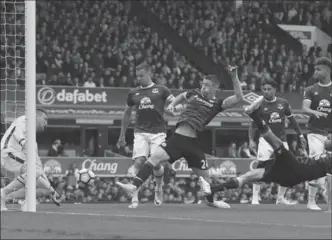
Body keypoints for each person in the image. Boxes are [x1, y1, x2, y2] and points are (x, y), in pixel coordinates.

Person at [116, 65, 244, 209]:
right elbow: (181, 96)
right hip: (177, 139)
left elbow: (239, 97)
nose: (203, 88)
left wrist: (234, 77)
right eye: (203, 84)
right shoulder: (194, 93)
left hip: (193, 144)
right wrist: (172, 106)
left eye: (207, 86)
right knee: (153, 159)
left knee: (206, 181)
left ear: (215, 88)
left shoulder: (218, 104)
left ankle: (210, 201)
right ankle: (134, 187)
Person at [199, 97, 332, 209]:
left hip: (295, 169)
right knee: (249, 176)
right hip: (288, 174)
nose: (328, 138)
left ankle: (253, 115)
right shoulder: (325, 154)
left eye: (330, 139)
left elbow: (330, 182)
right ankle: (213, 189)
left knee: (278, 144)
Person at [116, 62, 175, 209]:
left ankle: (158, 188)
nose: (139, 78)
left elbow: (174, 103)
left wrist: (173, 109)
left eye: (142, 75)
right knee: (139, 161)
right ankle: (134, 197)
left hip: (158, 132)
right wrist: (122, 134)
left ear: (150, 74)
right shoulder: (133, 93)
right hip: (140, 132)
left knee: (156, 164)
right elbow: (127, 113)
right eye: (137, 76)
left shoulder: (162, 90)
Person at [249, 78, 306, 205]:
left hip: (281, 140)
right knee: (261, 167)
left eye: (269, 89)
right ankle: (254, 197)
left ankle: (280, 198)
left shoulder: (283, 103)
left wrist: (301, 135)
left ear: (275, 89)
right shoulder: (259, 104)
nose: (266, 92)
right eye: (264, 89)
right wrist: (251, 140)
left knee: (288, 168)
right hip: (265, 140)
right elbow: (253, 125)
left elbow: (292, 121)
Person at [0, 109, 60, 211]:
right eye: (45, 119)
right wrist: (24, 143)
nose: (46, 123)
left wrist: (52, 190)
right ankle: (4, 192)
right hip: (8, 152)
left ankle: (12, 198)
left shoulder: (33, 141)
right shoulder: (25, 119)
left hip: (17, 160)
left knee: (41, 185)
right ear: (36, 116)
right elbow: (17, 132)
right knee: (34, 170)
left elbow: (39, 168)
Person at [302, 57, 332, 210]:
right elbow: (305, 108)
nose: (316, 72)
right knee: (316, 163)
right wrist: (315, 112)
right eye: (315, 69)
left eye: (318, 69)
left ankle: (327, 194)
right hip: (314, 133)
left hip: (330, 135)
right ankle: (311, 201)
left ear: (327, 70)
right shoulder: (310, 89)